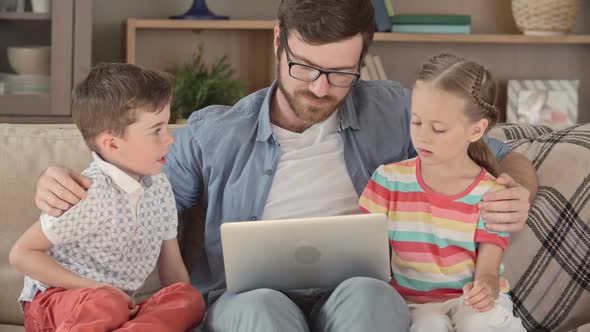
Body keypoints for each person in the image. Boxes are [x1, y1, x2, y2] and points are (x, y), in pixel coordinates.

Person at [32, 0, 537, 331]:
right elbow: (135, 186)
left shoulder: (396, 110)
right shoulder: (213, 132)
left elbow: (504, 148)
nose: (319, 88)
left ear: (363, 60)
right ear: (279, 41)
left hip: (356, 292)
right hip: (249, 296)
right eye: (305, 67)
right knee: (257, 311)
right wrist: (63, 179)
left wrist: (518, 186)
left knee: (374, 299)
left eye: (340, 74)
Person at [9, 63, 205, 332]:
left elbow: (173, 272)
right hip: (57, 301)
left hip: (120, 310)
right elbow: (22, 254)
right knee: (105, 302)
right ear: (112, 144)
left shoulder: (160, 187)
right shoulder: (90, 192)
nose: (169, 139)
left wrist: (183, 303)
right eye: (156, 130)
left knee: (189, 298)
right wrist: (99, 289)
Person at [359, 53, 526, 332]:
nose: (423, 136)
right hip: (414, 305)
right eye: (416, 122)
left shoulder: (491, 193)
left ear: (476, 130)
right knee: (429, 327)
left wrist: (485, 287)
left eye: (438, 128)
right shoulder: (388, 181)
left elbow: (488, 270)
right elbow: (362, 254)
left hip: (472, 304)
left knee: (479, 323)